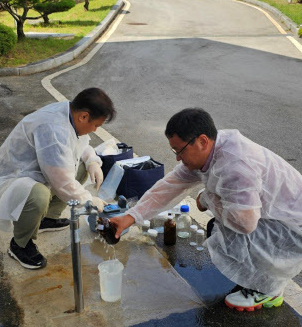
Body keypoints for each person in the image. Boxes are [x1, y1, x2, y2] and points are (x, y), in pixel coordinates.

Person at [112, 108, 302, 311]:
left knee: (226, 229)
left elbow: (245, 224)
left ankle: (266, 290)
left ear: (202, 141)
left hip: (292, 232)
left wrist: (207, 198)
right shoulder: (213, 150)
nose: (177, 158)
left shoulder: (235, 166)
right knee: (217, 224)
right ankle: (264, 281)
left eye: (179, 150)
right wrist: (129, 217)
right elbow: (168, 186)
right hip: (277, 219)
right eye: (174, 151)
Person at [0, 87, 116, 270]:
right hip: (6, 185)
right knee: (39, 195)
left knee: (83, 167)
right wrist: (91, 201)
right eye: (96, 125)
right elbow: (63, 182)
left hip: (35, 175)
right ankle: (20, 244)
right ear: (83, 116)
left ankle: (46, 219)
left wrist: (93, 161)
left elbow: (78, 146)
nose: (95, 130)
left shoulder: (68, 113)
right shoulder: (52, 129)